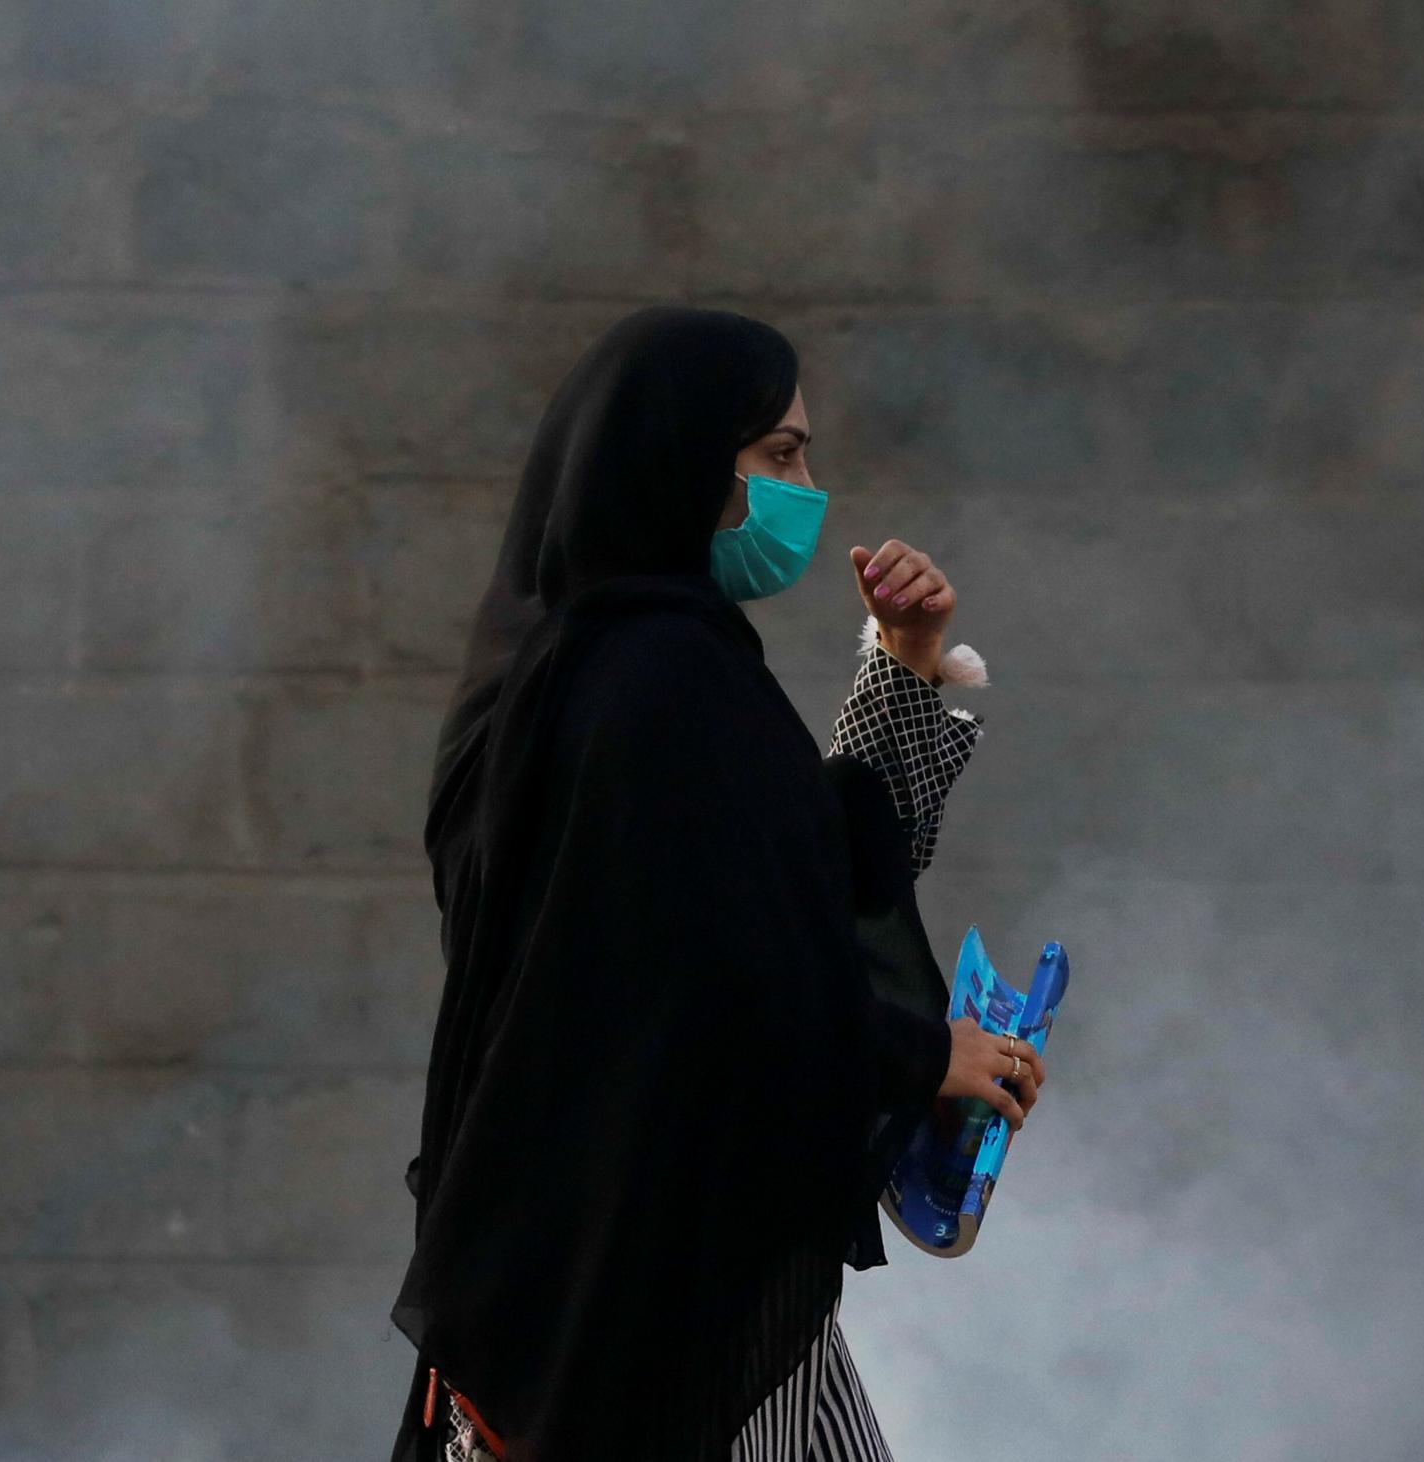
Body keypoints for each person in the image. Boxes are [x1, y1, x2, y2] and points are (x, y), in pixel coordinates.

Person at [387, 305, 1047, 1461]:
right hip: (667, 1333)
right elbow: (718, 992)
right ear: (678, 460)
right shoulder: (665, 687)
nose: (806, 489)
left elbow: (770, 879)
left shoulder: (545, 671)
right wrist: (917, 1055)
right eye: (778, 456)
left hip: (553, 1309)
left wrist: (902, 662)